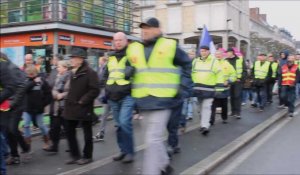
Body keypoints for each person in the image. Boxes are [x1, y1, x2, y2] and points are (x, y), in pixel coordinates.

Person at [127, 17, 192, 175]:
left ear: (158, 30)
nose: (144, 31)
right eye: (143, 29)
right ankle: (164, 164)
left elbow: (187, 64)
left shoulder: (170, 45)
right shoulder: (134, 48)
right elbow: (129, 67)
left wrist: (182, 88)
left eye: (148, 28)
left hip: (164, 100)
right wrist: (127, 71)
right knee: (151, 140)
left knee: (152, 140)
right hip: (143, 101)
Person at [100, 32, 136, 163]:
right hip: (112, 97)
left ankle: (130, 152)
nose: (118, 42)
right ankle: (123, 151)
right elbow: (104, 75)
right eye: (116, 40)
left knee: (125, 122)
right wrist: (106, 87)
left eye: (120, 40)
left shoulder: (132, 56)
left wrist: (130, 71)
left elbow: (135, 72)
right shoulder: (111, 57)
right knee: (119, 125)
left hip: (127, 95)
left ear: (126, 41)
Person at [63, 48, 99, 165]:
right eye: (71, 58)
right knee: (69, 130)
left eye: (74, 58)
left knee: (87, 132)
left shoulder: (90, 73)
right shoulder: (71, 72)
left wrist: (83, 101)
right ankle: (75, 155)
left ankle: (87, 156)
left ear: (81, 59)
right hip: (71, 107)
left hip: (84, 107)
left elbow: (95, 90)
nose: (71, 60)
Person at [0, 53, 30, 165]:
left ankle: (25, 147)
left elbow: (22, 86)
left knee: (12, 129)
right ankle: (14, 155)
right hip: (7, 104)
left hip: (17, 104)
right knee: (8, 130)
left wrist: (13, 102)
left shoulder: (12, 68)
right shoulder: (5, 68)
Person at [192, 46, 223, 135]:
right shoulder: (195, 61)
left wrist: (219, 88)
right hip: (197, 89)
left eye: (205, 51)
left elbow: (219, 75)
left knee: (206, 107)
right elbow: (191, 74)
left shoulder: (214, 61)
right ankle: (203, 124)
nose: (203, 53)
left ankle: (205, 126)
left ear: (208, 51)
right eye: (201, 51)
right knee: (199, 108)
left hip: (209, 89)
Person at [23, 65, 52, 150]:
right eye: (29, 74)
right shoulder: (26, 80)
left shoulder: (42, 81)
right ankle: (27, 146)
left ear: (35, 73)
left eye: (32, 74)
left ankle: (47, 141)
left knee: (41, 125)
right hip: (27, 108)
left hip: (39, 109)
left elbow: (48, 94)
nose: (30, 76)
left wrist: (43, 104)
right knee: (26, 125)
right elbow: (24, 90)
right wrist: (33, 82)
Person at [44, 60, 70, 153]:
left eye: (59, 67)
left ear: (65, 68)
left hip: (66, 107)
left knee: (68, 128)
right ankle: (54, 146)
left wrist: (62, 95)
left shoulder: (70, 77)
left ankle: (72, 146)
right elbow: (53, 88)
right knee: (55, 127)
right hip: (56, 106)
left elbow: (71, 91)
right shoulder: (58, 76)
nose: (57, 68)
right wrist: (55, 94)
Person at [210, 50, 236, 125]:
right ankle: (212, 120)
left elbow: (234, 74)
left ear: (222, 55)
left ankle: (224, 118)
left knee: (224, 105)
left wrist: (229, 81)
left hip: (224, 89)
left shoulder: (227, 64)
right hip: (214, 88)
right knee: (213, 105)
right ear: (214, 55)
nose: (218, 55)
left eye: (219, 54)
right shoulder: (212, 63)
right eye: (216, 54)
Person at [93, 56, 112, 142]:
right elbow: (102, 79)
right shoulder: (103, 68)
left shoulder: (108, 67)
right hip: (108, 94)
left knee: (107, 114)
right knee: (104, 114)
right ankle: (101, 133)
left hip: (113, 94)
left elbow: (103, 79)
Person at [226, 48, 247, 119]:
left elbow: (244, 70)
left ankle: (238, 112)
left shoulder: (240, 59)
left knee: (237, 96)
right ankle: (233, 111)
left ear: (232, 52)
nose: (227, 54)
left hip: (238, 81)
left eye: (228, 52)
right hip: (230, 81)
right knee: (232, 97)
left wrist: (240, 79)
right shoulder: (226, 60)